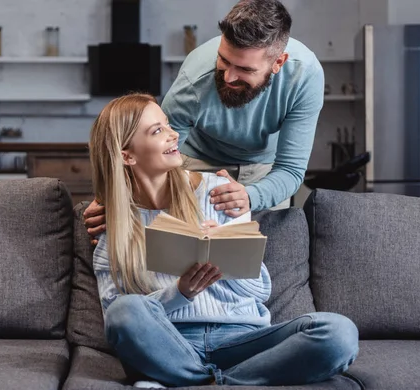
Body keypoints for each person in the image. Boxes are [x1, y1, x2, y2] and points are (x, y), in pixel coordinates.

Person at [88, 93, 357, 388]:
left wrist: (230, 251)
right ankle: (215, 380)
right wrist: (181, 292)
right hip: (170, 344)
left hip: (244, 341)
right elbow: (117, 322)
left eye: (167, 125)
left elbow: (260, 289)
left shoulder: (219, 192)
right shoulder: (113, 222)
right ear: (127, 155)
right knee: (124, 311)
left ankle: (203, 383)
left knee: (337, 333)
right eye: (158, 131)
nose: (173, 134)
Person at [83, 0, 324, 238]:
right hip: (196, 161)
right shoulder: (193, 82)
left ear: (278, 63)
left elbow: (291, 169)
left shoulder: (304, 78)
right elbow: (151, 155)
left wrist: (251, 196)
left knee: (264, 254)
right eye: (224, 60)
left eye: (245, 70)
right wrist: (114, 199)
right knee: (179, 242)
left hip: (266, 170)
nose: (229, 77)